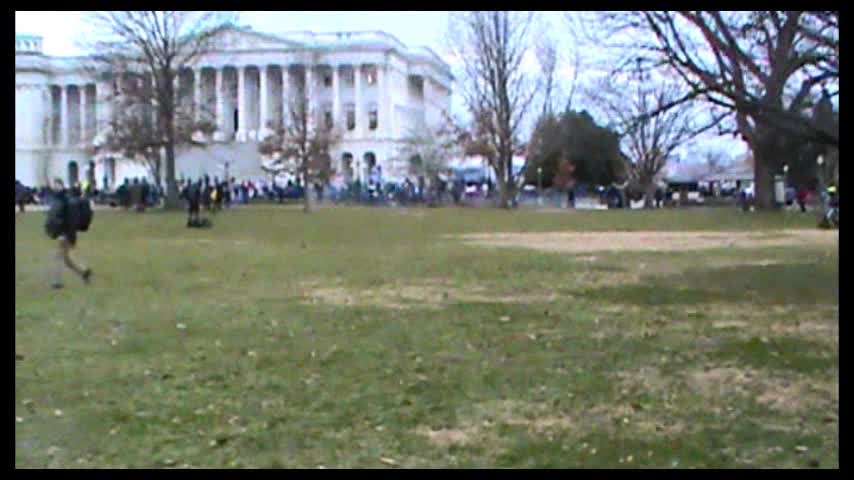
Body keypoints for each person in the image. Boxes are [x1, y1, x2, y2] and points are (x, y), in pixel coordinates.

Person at [45, 179, 92, 289]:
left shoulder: (67, 201)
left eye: (58, 185)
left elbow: (69, 220)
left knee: (58, 256)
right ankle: (84, 272)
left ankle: (57, 282)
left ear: (62, 186)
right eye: (54, 185)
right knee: (67, 260)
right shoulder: (57, 200)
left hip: (65, 233)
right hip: (61, 232)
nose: (56, 187)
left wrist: (64, 234)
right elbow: (54, 216)